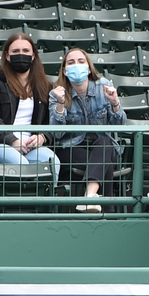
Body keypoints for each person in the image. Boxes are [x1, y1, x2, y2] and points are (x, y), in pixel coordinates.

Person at [0, 33, 60, 187]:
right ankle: (19, 208)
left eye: (26, 51)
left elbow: (51, 122)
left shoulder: (45, 86)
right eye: (15, 51)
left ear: (33, 55)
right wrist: (12, 140)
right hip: (1, 144)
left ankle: (46, 207)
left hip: (31, 146)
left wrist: (42, 137)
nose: (21, 55)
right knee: (19, 163)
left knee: (51, 161)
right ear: (7, 56)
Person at [49, 49, 127, 214]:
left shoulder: (103, 86)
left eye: (81, 61)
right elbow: (57, 134)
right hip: (71, 147)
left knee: (105, 146)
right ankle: (107, 213)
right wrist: (60, 104)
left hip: (101, 144)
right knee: (104, 162)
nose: (76, 65)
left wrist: (115, 103)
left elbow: (120, 125)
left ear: (89, 68)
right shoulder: (56, 93)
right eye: (71, 63)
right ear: (64, 70)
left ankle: (90, 196)